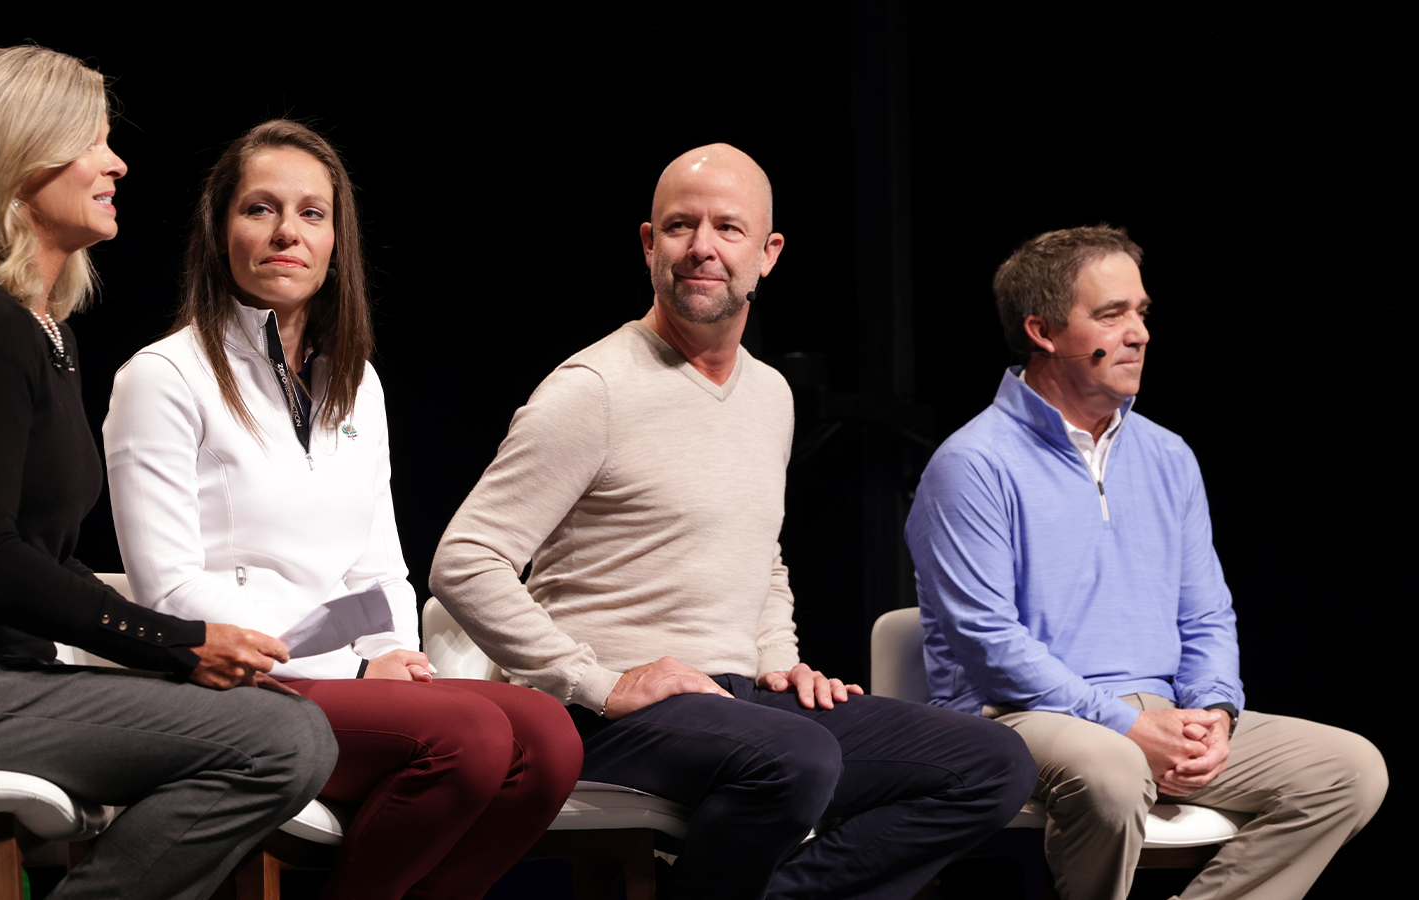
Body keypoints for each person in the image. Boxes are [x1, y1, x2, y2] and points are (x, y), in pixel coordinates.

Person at [430, 143, 1036, 900]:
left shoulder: (770, 394)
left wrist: (779, 658)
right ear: (650, 244)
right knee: (796, 758)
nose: (703, 248)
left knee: (991, 763)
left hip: (740, 699)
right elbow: (465, 559)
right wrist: (598, 682)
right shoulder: (593, 389)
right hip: (604, 715)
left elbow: (762, 555)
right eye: (681, 227)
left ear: (768, 253)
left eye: (728, 228)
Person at [0, 47, 337, 900]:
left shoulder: (36, 329)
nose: (116, 163)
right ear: (18, 163)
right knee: (281, 741)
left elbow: (37, 556)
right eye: (91, 143)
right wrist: (179, 643)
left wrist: (178, 655)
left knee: (282, 729)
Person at [103, 119, 583, 900]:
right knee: (471, 738)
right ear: (220, 230)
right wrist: (356, 667)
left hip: (354, 678)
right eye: (260, 209)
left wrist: (400, 659)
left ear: (336, 243)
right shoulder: (160, 377)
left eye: (312, 213)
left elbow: (379, 563)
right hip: (232, 682)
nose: (287, 231)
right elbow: (171, 593)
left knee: (550, 740)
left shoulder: (355, 381)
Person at [904, 225, 1387, 900]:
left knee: (1348, 770)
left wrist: (1214, 712)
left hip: (1157, 711)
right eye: (1111, 315)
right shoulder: (972, 464)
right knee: (1112, 771)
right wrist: (1125, 724)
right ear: (1042, 331)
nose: (1139, 333)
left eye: (1141, 312)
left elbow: (1207, 613)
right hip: (1018, 717)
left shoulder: (1167, 456)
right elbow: (989, 644)